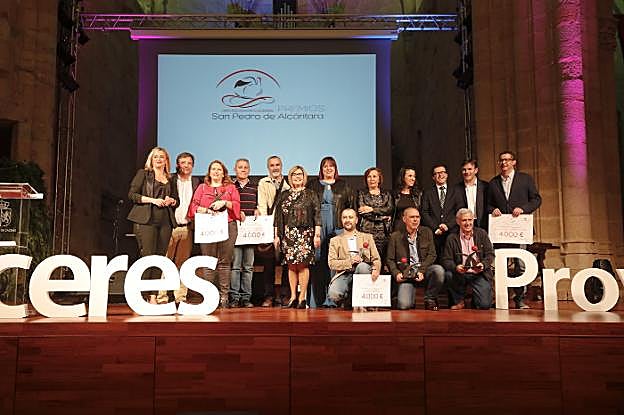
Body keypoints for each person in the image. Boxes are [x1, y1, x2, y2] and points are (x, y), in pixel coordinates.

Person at [487, 150, 542, 309]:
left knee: (521, 264)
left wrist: (523, 209)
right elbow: (488, 205)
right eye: (501, 160)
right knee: (500, 265)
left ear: (514, 162)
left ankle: (520, 299)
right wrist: (493, 210)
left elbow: (536, 199)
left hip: (520, 230)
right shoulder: (493, 183)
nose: (504, 163)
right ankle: (501, 298)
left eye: (507, 160)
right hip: (501, 231)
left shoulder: (525, 179)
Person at [127, 147, 179, 304]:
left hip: (165, 222)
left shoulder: (171, 178)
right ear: (151, 159)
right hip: (146, 220)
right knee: (148, 257)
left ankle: (153, 296)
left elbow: (176, 200)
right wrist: (153, 200)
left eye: (162, 157)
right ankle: (141, 295)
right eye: (155, 156)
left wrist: (172, 201)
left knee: (160, 259)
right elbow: (132, 195)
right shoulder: (143, 174)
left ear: (166, 160)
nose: (158, 159)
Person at [187, 160, 241, 308]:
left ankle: (224, 296)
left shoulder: (231, 188)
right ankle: (209, 296)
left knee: (224, 262)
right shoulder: (202, 188)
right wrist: (205, 210)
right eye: (213, 169)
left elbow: (237, 205)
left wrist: (225, 203)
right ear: (209, 173)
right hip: (207, 226)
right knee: (208, 261)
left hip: (228, 226)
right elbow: (193, 206)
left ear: (223, 173)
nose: (216, 172)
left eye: (219, 169)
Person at [308, 156, 354, 307]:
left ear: (335, 169)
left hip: (337, 226)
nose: (328, 169)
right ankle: (316, 300)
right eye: (325, 166)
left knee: (335, 262)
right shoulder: (313, 185)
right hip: (318, 226)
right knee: (317, 261)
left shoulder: (344, 185)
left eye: (331, 166)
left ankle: (333, 298)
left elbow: (350, 207)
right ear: (321, 169)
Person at [156, 152, 201, 304]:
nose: (186, 166)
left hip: (187, 228)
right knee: (166, 261)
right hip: (170, 226)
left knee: (183, 263)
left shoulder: (197, 182)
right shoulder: (170, 179)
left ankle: (180, 297)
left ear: (193, 166)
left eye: (189, 163)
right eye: (183, 162)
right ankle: (161, 296)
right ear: (177, 165)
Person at [273, 165, 321, 309]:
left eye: (300, 174)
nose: (297, 176)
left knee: (303, 265)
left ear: (304, 176)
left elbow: (317, 215)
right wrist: (276, 236)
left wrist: (317, 234)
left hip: (305, 234)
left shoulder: (311, 194)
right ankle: (293, 296)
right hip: (288, 234)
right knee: (291, 265)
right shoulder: (284, 195)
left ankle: (302, 297)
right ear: (290, 177)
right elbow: (278, 217)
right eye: (294, 174)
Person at [386, 207, 446, 311]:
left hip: (423, 271)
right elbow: (390, 259)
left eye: (417, 217)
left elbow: (432, 255)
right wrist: (396, 273)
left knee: (438, 270)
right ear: (404, 219)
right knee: (404, 305)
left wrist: (421, 270)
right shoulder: (395, 236)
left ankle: (430, 298)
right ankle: (409, 297)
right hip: (406, 275)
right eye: (412, 217)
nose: (415, 220)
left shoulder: (427, 232)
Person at [327, 208, 381, 309]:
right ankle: (350, 299)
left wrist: (376, 269)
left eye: (350, 217)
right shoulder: (335, 240)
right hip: (345, 273)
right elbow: (332, 263)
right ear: (341, 220)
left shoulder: (367, 237)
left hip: (363, 271)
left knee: (362, 267)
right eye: (344, 217)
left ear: (356, 220)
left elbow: (376, 259)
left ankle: (363, 301)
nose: (347, 220)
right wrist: (350, 261)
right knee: (334, 294)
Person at [441, 208, 494, 310]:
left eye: (470, 220)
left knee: (484, 305)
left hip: (479, 274)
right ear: (458, 222)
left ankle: (475, 299)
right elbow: (446, 260)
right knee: (448, 275)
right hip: (460, 274)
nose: (467, 223)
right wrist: (456, 267)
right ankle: (459, 301)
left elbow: (490, 254)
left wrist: (483, 264)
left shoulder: (482, 233)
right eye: (464, 220)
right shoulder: (452, 237)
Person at [257, 155, 290, 306]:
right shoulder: (263, 183)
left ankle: (284, 295)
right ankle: (269, 296)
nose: (275, 167)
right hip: (269, 226)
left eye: (277, 165)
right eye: (272, 165)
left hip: (286, 228)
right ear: (268, 167)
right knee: (268, 264)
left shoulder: (288, 184)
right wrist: (266, 228)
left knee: (286, 263)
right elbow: (262, 205)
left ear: (281, 166)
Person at [230, 158, 258, 308]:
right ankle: (234, 297)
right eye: (240, 167)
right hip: (235, 232)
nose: (243, 170)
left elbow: (259, 205)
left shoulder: (255, 188)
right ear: (235, 169)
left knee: (248, 267)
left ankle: (246, 298)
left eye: (246, 167)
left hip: (250, 233)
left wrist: (258, 209)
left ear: (249, 170)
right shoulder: (230, 187)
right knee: (235, 266)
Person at [421, 163, 461, 256]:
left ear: (447, 175)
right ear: (433, 177)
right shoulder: (427, 193)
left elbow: (459, 211)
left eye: (443, 172)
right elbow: (424, 212)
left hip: (452, 232)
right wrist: (436, 227)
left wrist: (448, 225)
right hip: (434, 233)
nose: (440, 175)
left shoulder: (456, 191)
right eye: (437, 173)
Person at [355, 167, 394, 262]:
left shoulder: (387, 193)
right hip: (366, 230)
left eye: (374, 176)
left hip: (383, 232)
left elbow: (389, 209)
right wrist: (382, 217)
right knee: (367, 259)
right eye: (369, 177)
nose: (372, 179)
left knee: (382, 259)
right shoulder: (361, 193)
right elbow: (363, 212)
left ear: (379, 179)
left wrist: (372, 209)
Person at [454, 159, 489, 230]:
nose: (466, 172)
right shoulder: (455, 189)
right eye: (464, 170)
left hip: (483, 225)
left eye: (469, 169)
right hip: (464, 226)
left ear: (476, 170)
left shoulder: (486, 186)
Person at [393, 166, 423, 232]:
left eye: (414, 176)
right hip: (398, 229)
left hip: (413, 229)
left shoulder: (418, 195)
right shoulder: (395, 194)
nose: (413, 179)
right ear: (403, 177)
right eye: (410, 176)